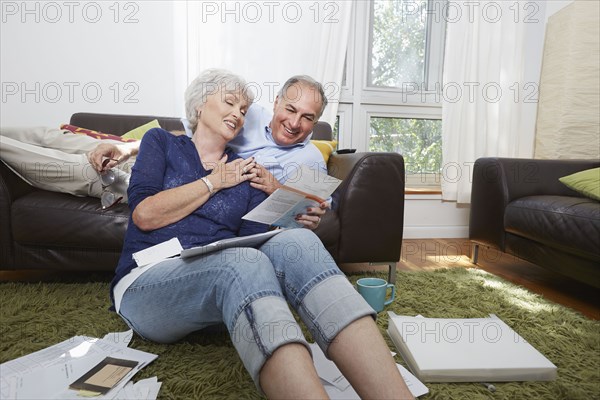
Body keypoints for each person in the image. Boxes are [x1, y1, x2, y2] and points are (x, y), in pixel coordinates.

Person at [112, 68, 414, 399]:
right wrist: (215, 181)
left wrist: (295, 216)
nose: (238, 114)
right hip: (147, 283)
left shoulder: (248, 170)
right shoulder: (163, 144)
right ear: (199, 106)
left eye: (243, 110)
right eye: (229, 103)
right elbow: (145, 215)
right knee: (241, 262)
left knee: (296, 241)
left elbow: (260, 240)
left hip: (213, 282)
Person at [0, 75, 329, 227]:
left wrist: (277, 188)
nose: (294, 122)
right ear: (276, 103)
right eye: (290, 109)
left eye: (308, 117)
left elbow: (317, 210)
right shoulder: (248, 113)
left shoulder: (310, 158)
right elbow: (182, 135)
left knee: (71, 167)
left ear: (317, 121)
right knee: (49, 135)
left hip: (172, 183)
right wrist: (126, 147)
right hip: (158, 158)